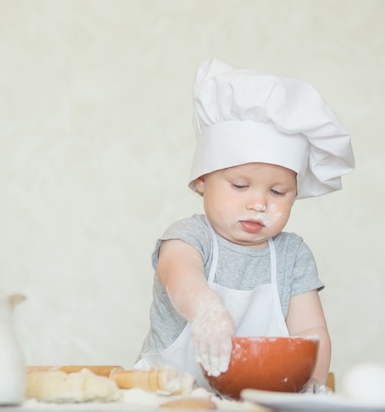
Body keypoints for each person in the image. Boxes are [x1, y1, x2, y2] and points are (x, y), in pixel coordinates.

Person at [135, 58, 355, 393]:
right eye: (240, 186)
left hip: (259, 401)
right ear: (201, 181)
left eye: (278, 192)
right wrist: (205, 309)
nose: (259, 204)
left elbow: (311, 333)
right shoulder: (188, 237)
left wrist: (311, 383)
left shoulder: (291, 254)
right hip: (167, 396)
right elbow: (180, 274)